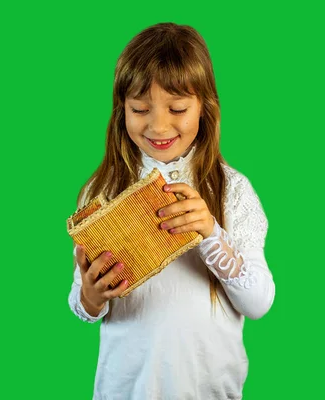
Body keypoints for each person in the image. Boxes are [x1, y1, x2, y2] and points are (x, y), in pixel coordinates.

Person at [68, 22, 276, 400]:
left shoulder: (231, 190)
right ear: (122, 111)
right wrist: (91, 295)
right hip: (124, 390)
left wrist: (212, 234)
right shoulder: (102, 192)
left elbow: (259, 302)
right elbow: (81, 306)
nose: (158, 125)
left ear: (204, 108)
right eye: (140, 109)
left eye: (177, 108)